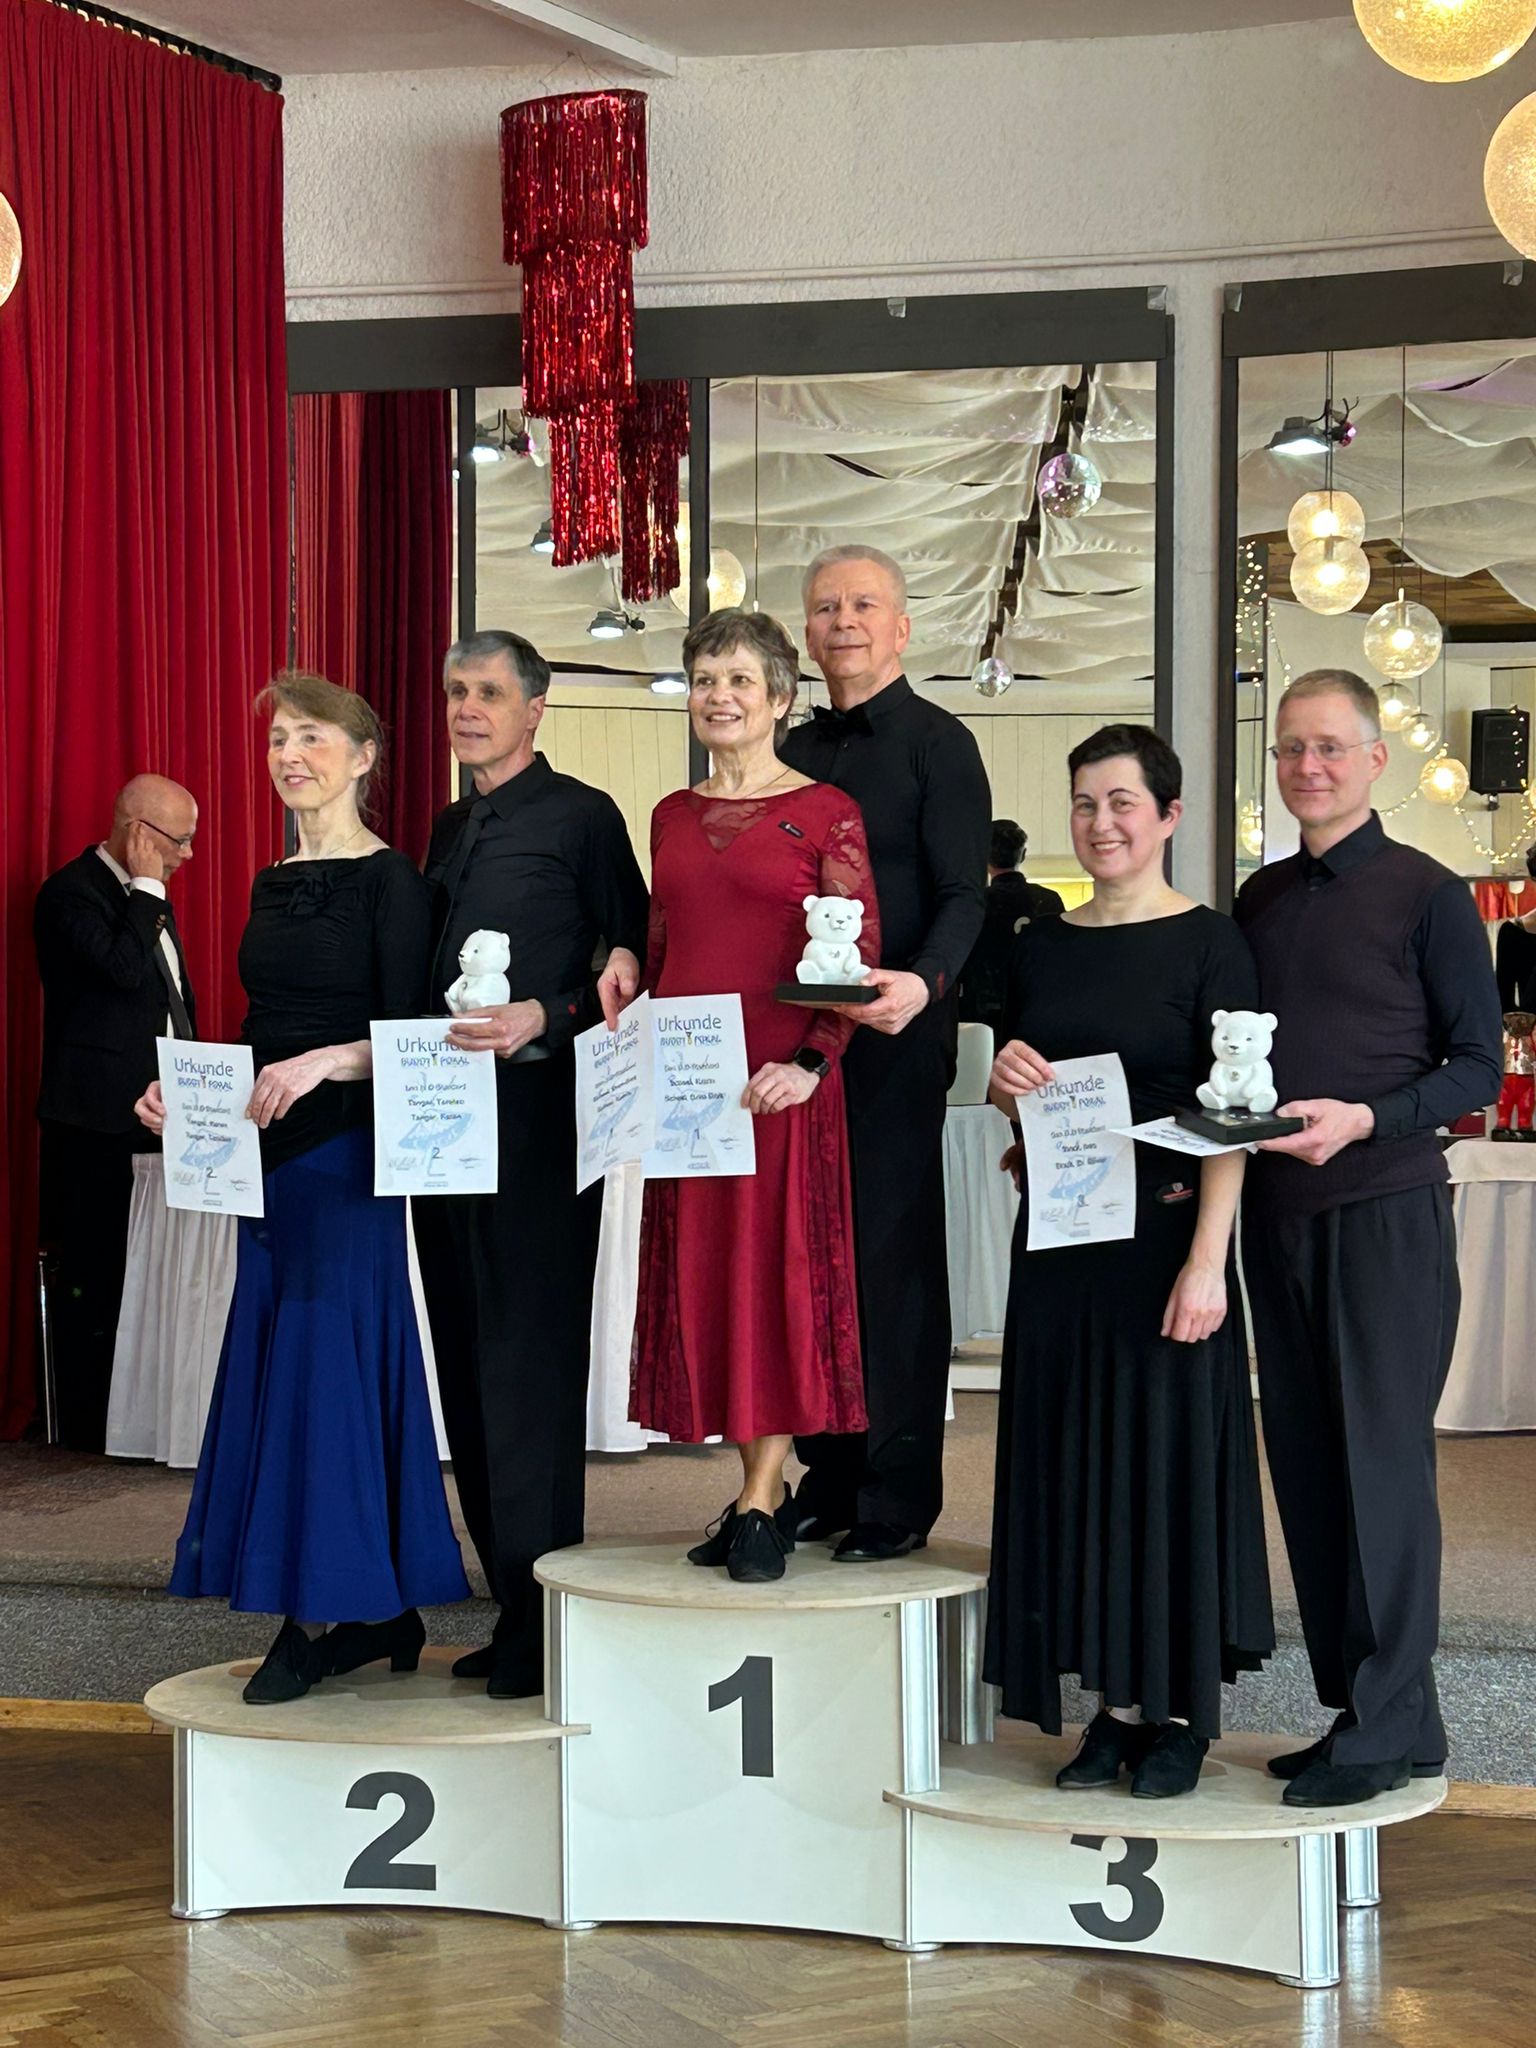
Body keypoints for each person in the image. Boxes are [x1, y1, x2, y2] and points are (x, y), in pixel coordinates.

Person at [140, 674, 469, 1704]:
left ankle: (320, 1611)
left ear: (364, 758)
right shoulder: (269, 880)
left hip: (349, 1157)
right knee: (286, 1372)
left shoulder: (396, 882)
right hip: (268, 1162)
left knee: (326, 1379)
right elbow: (261, 1028)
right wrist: (188, 1092)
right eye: (280, 737)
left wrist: (327, 1061)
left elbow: (419, 1039)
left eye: (312, 736)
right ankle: (376, 1609)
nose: (290, 753)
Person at [984, 724, 1274, 1798]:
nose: (1100, 823)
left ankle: (1180, 1714)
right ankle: (1111, 1708)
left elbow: (1234, 1115)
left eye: (1121, 803)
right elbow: (1019, 1094)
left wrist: (1209, 1262)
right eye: (1084, 802)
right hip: (1064, 1244)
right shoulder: (1041, 943)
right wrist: (1007, 1086)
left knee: (1164, 1467)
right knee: (1079, 1466)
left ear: (1168, 816)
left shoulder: (1212, 944)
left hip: (1166, 1241)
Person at [1237, 668, 1501, 1807]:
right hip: (1275, 1215)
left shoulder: (1429, 894)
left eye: (1331, 747)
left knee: (1382, 1470)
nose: (1309, 767)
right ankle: (1380, 1713)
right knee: (1309, 1468)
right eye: (1293, 748)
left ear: (1375, 759)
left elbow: (1477, 1067)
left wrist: (1366, 1118)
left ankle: (1385, 1723)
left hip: (1386, 1210)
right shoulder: (1259, 899)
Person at [413, 630, 648, 1697]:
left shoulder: (584, 817)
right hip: (443, 1127)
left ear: (535, 708)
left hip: (540, 1126)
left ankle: (548, 1614)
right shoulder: (446, 824)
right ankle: (512, 1607)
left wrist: (544, 1014)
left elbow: (631, 960)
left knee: (529, 1368)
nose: (468, 708)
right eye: (456, 691)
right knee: (465, 1362)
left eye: (490, 693)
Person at [629, 609, 879, 1582]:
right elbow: (661, 947)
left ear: (780, 697)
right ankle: (749, 1496)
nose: (720, 696)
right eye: (705, 679)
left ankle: (763, 1499)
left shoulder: (827, 810)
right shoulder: (669, 815)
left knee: (774, 1284)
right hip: (692, 1090)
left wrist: (812, 1061)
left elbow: (853, 956)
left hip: (779, 1085)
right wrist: (623, 977)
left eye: (740, 678)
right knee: (712, 1285)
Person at [779, 544, 990, 1561]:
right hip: (793, 1041)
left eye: (864, 604)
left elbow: (963, 894)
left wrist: (925, 982)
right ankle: (827, 1473)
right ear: (807, 631)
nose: (844, 621)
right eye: (827, 607)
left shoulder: (940, 743)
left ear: (901, 627)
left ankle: (897, 1494)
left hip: (895, 1037)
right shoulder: (788, 747)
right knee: (807, 1256)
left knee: (890, 1263)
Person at [34, 775, 199, 1451]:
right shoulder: (71, 895)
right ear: (139, 833)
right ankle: (88, 1428)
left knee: (150, 1273)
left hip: (162, 1116)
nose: (187, 855)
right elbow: (123, 973)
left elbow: (168, 1000)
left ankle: (141, 1418)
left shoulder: (146, 899)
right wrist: (147, 888)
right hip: (95, 1119)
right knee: (96, 1273)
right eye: (179, 840)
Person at [959, 819, 1064, 1036]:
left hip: (982, 1012)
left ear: (984, 857)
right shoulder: (1049, 900)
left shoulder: (974, 903)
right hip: (1036, 1007)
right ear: (1023, 855)